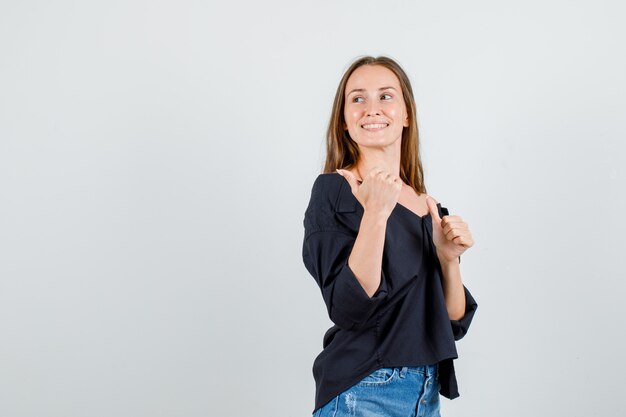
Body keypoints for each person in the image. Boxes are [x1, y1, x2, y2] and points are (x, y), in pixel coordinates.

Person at [302, 55, 479, 417]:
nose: (371, 108)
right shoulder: (335, 190)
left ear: (406, 114)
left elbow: (451, 323)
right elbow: (348, 308)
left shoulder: (427, 203)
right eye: (357, 98)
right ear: (344, 121)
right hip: (363, 392)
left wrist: (448, 260)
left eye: (385, 96)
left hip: (424, 395)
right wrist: (376, 214)